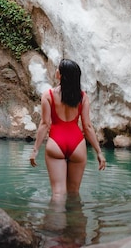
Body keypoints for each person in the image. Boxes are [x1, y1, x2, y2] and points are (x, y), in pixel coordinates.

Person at [30, 59, 106, 199]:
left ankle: (56, 220)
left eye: (58, 69)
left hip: (56, 143)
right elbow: (87, 127)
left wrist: (35, 150)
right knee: (74, 193)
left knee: (58, 192)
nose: (56, 71)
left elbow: (45, 124)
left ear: (62, 75)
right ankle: (74, 220)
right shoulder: (82, 97)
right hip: (76, 143)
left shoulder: (48, 95)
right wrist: (99, 152)